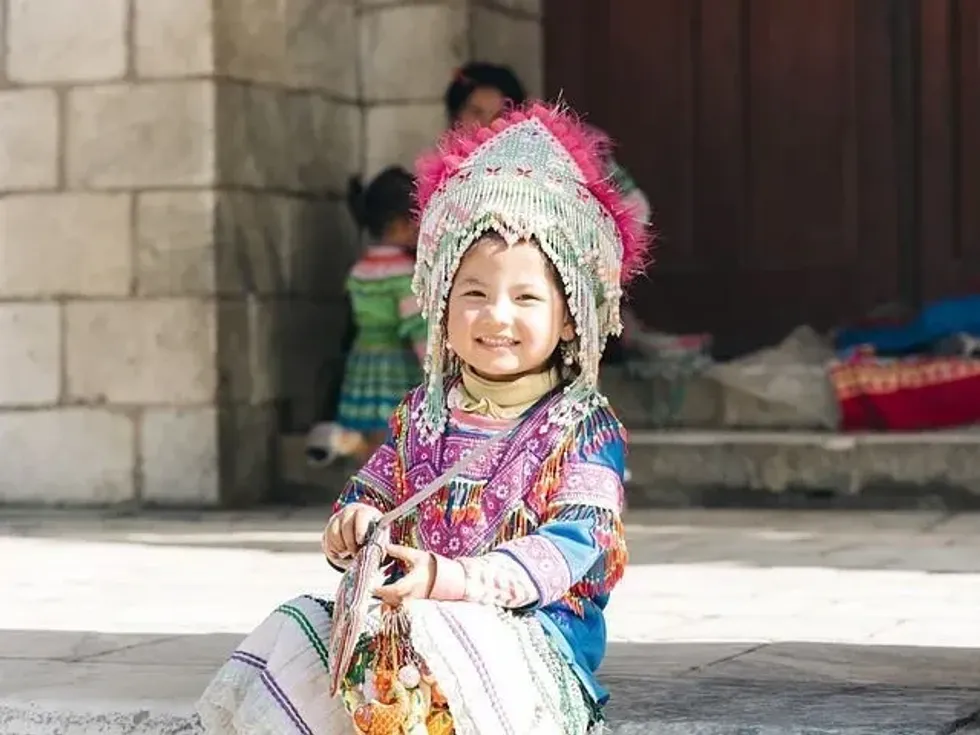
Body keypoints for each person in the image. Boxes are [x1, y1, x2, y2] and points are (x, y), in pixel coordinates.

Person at [196, 101, 652, 734]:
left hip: (525, 640)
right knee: (298, 630)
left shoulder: (583, 426)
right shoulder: (423, 414)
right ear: (439, 303)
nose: (496, 317)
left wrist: (450, 579)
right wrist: (355, 523)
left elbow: (572, 548)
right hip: (410, 623)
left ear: (572, 313)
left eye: (526, 297)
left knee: (438, 650)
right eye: (473, 293)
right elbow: (378, 487)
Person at [308, 166, 426, 465]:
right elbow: (415, 325)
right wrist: (433, 367)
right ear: (400, 223)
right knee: (396, 434)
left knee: (374, 431)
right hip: (396, 365)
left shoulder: (361, 269)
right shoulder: (403, 272)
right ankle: (382, 486)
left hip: (364, 360)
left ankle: (355, 455)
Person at [444, 62, 651, 225]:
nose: (488, 123)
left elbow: (635, 206)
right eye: (476, 112)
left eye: (500, 113)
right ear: (456, 117)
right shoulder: (444, 170)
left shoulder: (552, 154)